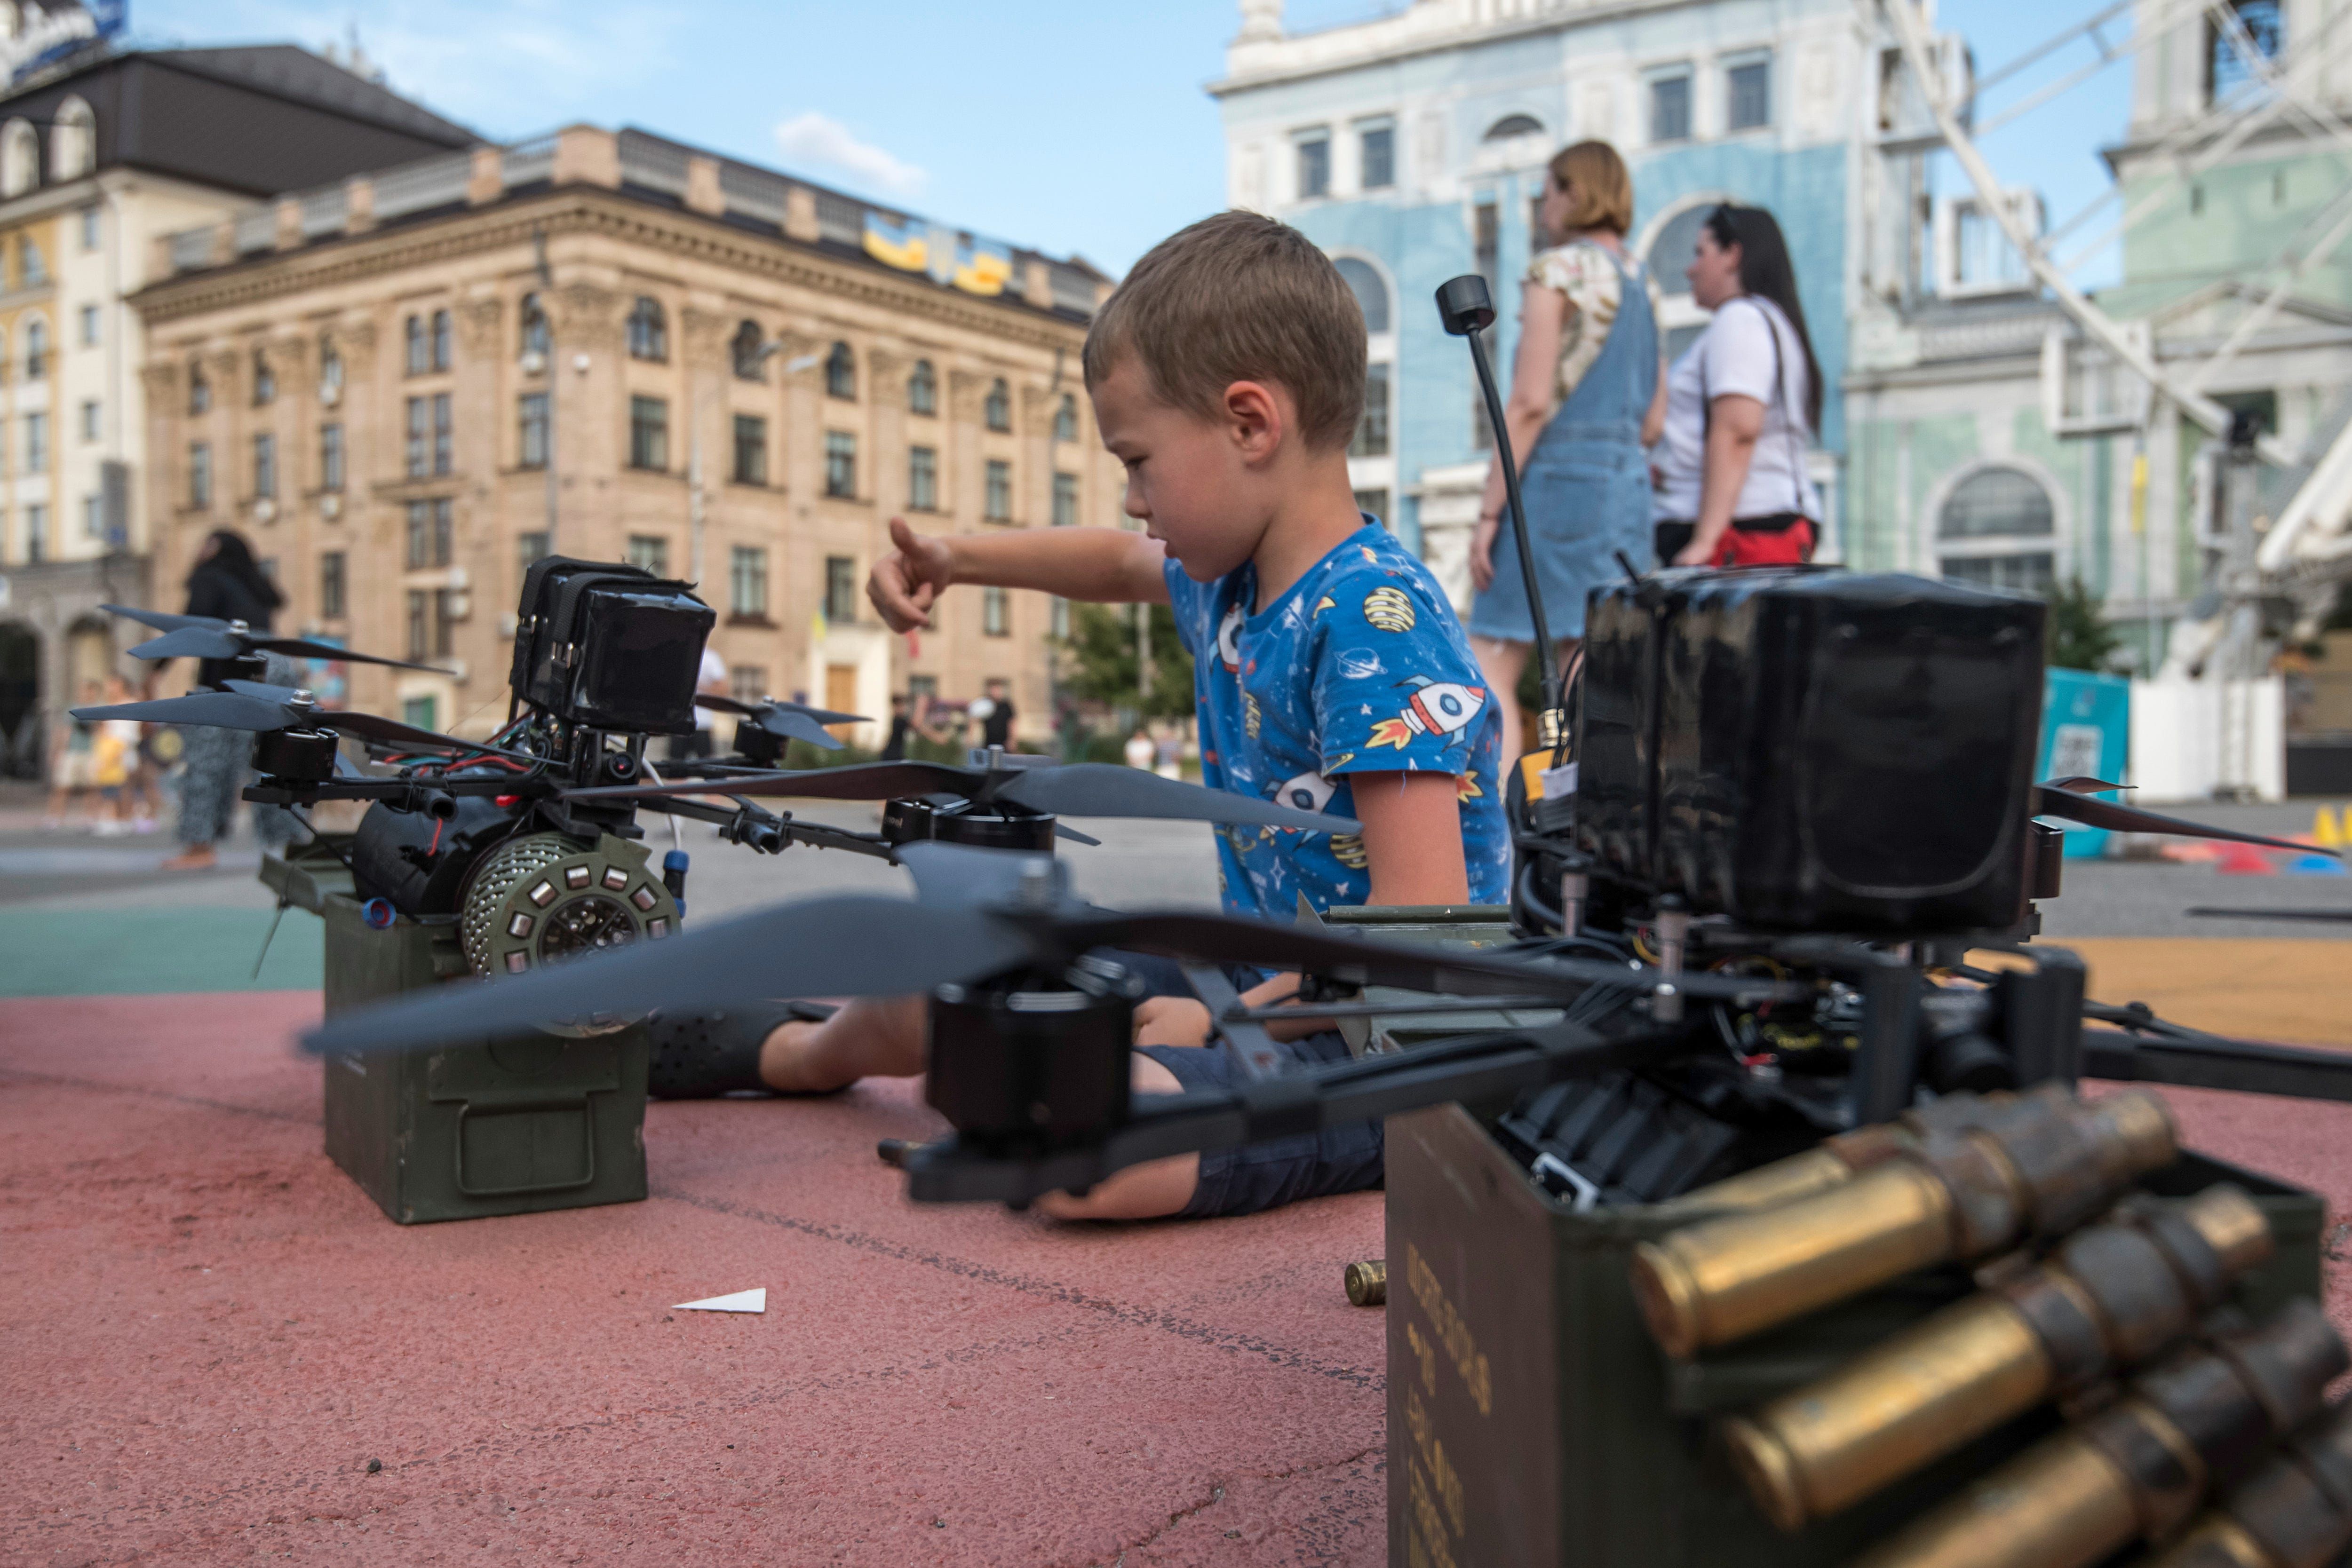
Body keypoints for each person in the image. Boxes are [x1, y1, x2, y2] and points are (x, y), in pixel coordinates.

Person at [646, 211, 1510, 1221]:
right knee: (960, 959)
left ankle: (1100, 1089)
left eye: (1139, 460)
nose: (1135, 498)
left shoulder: (1372, 620)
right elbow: (1106, 560)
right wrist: (955, 558)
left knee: (1072, 1140)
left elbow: (1419, 949)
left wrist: (1225, 1015)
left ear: (1248, 424)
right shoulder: (1228, 576)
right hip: (1256, 973)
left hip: (1387, 1046)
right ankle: (794, 1051)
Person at [1466, 140, 1665, 763]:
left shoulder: (1556, 272)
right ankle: (1587, 848)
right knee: (1590, 677)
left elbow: (1526, 404)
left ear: (1574, 193)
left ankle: (1491, 842)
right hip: (1625, 492)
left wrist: (1490, 513)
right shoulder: (1643, 280)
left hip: (1555, 489)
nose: (1541, 206)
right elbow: (1654, 421)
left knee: (1491, 668)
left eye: (1547, 191)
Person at [1653, 203, 1825, 569]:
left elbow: (1737, 430)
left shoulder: (1741, 319)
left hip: (1739, 536)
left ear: (1733, 255)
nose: (1691, 269)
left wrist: (1704, 541)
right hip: (1752, 527)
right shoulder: (1764, 320)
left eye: (1701, 253)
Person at [163, 529, 297, 871]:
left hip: (228, 673)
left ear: (215, 548)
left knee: (207, 763)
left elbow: (190, 627)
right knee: (272, 762)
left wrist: (156, 669)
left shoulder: (209, 578)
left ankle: (199, 846)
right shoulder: (255, 585)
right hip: (274, 670)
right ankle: (288, 843)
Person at [40, 679, 100, 831]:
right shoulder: (73, 709)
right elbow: (64, 732)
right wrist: (57, 752)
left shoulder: (99, 710)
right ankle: (55, 817)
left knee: (91, 787)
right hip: (72, 752)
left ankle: (90, 818)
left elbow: (101, 732)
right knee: (62, 786)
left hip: (91, 752)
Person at [969, 676, 1016, 751]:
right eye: (993, 690)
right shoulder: (985, 705)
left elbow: (1012, 723)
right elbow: (974, 720)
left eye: (997, 690)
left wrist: (1012, 740)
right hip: (989, 743)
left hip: (1004, 744)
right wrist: (971, 738)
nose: (995, 692)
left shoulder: (1006, 705)